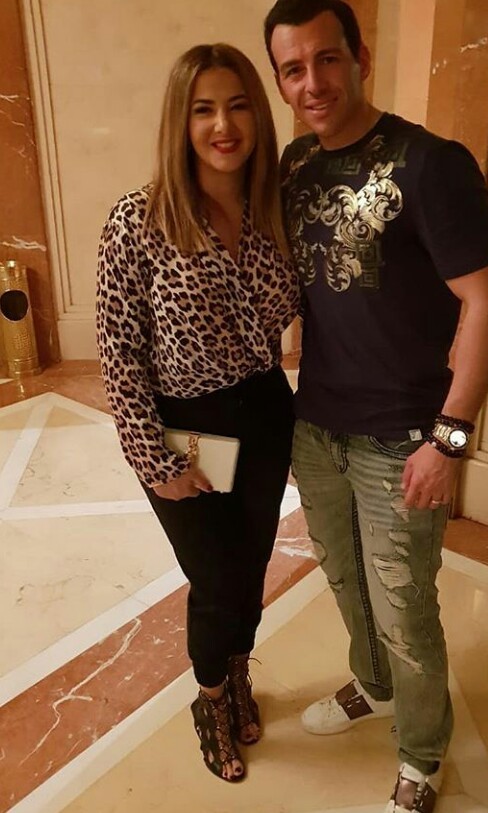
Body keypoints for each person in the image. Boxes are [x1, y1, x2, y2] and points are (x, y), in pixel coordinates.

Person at [264, 2, 488, 811]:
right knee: (345, 580)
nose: (313, 82)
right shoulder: (296, 164)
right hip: (317, 426)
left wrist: (450, 439)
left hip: (404, 438)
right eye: (293, 69)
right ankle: (372, 685)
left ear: (359, 56)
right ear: (281, 82)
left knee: (405, 607)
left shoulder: (430, 163)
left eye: (326, 59)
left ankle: (422, 752)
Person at [96, 43, 299, 783]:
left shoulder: (277, 208)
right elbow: (118, 352)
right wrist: (155, 461)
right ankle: (210, 698)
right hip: (185, 426)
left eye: (238, 105)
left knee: (250, 566)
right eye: (204, 109)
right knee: (214, 577)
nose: (223, 125)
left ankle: (237, 670)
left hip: (265, 413)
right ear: (180, 122)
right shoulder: (138, 220)